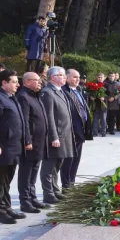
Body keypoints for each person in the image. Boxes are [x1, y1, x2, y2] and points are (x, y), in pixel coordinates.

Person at [16, 71, 48, 213]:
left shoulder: (35, 95)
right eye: (36, 80)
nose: (39, 82)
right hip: (30, 142)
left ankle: (32, 197)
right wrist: (27, 140)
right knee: (26, 171)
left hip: (39, 141)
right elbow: (24, 121)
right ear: (27, 82)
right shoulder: (23, 97)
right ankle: (25, 201)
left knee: (34, 170)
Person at [39, 66, 72, 204]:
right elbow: (49, 117)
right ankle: (48, 193)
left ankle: (55, 190)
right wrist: (54, 137)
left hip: (64, 135)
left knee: (57, 164)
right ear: (52, 77)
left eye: (64, 75)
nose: (64, 77)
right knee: (49, 166)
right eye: (61, 75)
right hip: (56, 136)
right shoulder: (48, 92)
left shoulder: (59, 91)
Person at [0, 70, 27, 223]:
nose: (18, 84)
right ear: (4, 83)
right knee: (1, 180)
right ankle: (1, 210)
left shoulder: (11, 98)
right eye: (14, 82)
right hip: (4, 148)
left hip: (14, 146)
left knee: (7, 180)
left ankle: (7, 207)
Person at [61, 69, 89, 190]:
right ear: (66, 78)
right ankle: (66, 185)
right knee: (69, 159)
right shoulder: (64, 91)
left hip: (80, 130)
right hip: (71, 131)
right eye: (74, 77)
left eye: (78, 77)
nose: (78, 79)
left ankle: (71, 182)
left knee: (76, 159)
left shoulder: (78, 90)